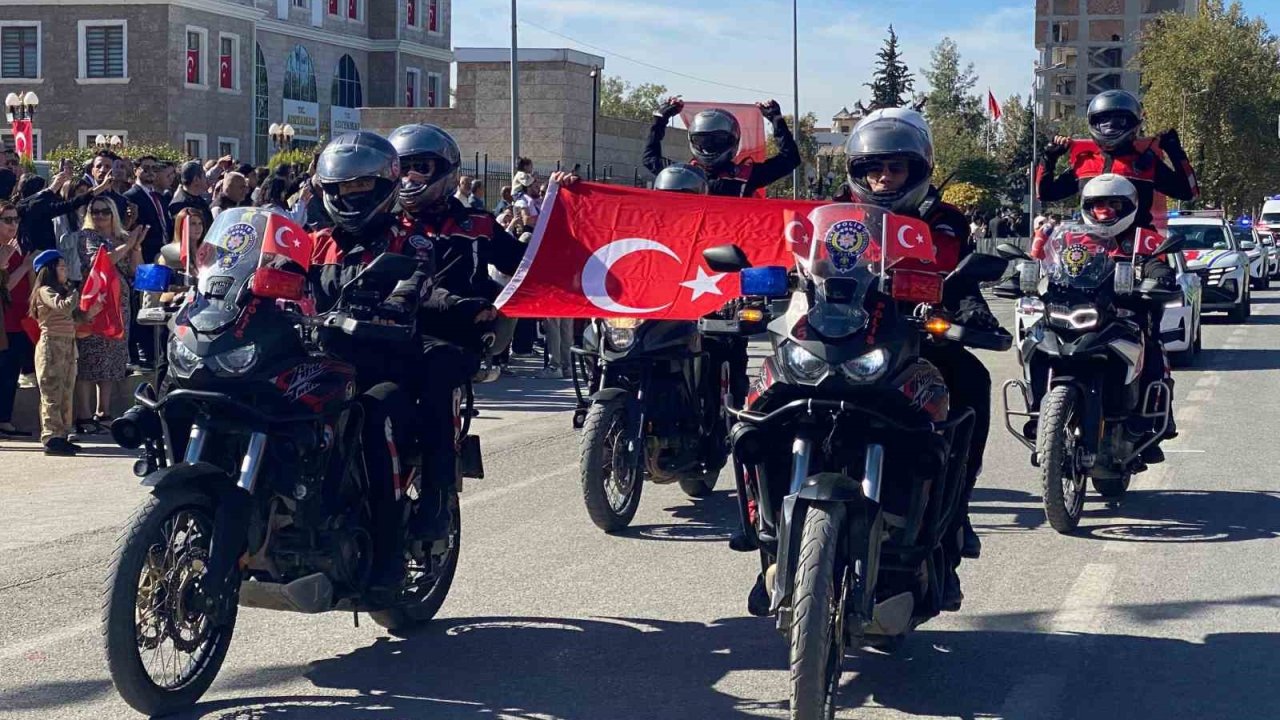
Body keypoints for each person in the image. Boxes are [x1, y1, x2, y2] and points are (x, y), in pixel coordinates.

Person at [309, 130, 495, 597]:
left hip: (387, 363)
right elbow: (266, 273)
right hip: (322, 361)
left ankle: (391, 554)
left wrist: (402, 301)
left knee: (378, 415)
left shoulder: (412, 242)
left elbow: (415, 282)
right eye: (339, 189)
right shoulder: (312, 243)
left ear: (382, 186)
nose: (348, 198)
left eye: (359, 187)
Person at [1038, 89, 1196, 230]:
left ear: (1134, 123)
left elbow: (1188, 192)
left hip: (1138, 248)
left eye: (1119, 120)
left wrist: (1175, 151)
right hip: (1091, 248)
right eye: (1103, 120)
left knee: (1158, 265)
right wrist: (1049, 158)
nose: (1110, 125)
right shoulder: (1085, 163)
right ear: (1093, 123)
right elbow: (1046, 194)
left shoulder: (1147, 162)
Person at [72, 198, 142, 435]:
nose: (100, 216)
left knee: (112, 358)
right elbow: (97, 263)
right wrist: (127, 245)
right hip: (95, 304)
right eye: (95, 211)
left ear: (113, 214)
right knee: (89, 360)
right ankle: (83, 415)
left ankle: (104, 412)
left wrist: (135, 247)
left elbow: (135, 270)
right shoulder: (87, 236)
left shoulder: (122, 237)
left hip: (119, 305)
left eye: (105, 212)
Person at [644, 97, 801, 197]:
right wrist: (660, 119)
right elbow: (650, 159)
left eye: (717, 141)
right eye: (703, 141)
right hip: (689, 243)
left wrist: (777, 121)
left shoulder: (746, 175)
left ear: (733, 141)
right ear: (693, 140)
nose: (710, 147)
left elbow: (790, 159)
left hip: (732, 243)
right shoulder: (682, 173)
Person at [29, 249, 103, 455]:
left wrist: (91, 311)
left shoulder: (63, 291)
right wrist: (78, 291)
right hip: (52, 345)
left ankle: (62, 433)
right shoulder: (45, 291)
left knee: (66, 391)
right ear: (50, 270)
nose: (66, 271)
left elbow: (75, 318)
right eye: (62, 267)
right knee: (52, 391)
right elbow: (63, 307)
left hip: (68, 345)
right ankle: (51, 436)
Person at [0, 201, 34, 437]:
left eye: (15, 219)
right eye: (7, 220)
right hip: (3, 319)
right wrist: (22, 266)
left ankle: (5, 420)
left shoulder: (18, 245)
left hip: (20, 316)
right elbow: (4, 287)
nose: (13, 225)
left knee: (11, 371)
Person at [16, 172, 111, 253]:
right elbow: (73, 203)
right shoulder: (32, 208)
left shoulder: (34, 207)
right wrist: (52, 188)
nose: (47, 193)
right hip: (38, 259)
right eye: (44, 189)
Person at [53, 177, 92, 284]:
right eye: (80, 192)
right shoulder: (61, 216)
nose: (84, 196)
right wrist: (82, 232)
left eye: (86, 192)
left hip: (82, 272)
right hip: (68, 274)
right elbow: (62, 243)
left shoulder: (83, 215)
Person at [168, 160, 214, 231]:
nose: (206, 179)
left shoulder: (200, 200)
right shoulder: (179, 205)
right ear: (196, 179)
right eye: (204, 176)